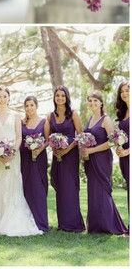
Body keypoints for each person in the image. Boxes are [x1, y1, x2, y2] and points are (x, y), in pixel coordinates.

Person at [0, 85, 41, 236]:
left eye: (4, 96)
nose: (2, 99)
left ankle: (13, 219)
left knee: (13, 184)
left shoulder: (16, 115)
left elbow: (18, 137)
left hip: (13, 156)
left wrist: (12, 152)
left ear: (9, 98)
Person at [81, 91, 128, 235]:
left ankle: (109, 225)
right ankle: (95, 226)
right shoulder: (90, 119)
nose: (92, 103)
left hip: (102, 159)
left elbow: (112, 141)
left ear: (101, 103)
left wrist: (93, 150)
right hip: (90, 159)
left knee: (103, 190)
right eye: (90, 100)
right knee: (93, 190)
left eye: (95, 100)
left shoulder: (106, 119)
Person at [44, 85, 85, 232]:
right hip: (57, 156)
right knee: (60, 187)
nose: (60, 98)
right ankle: (63, 224)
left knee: (70, 187)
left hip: (71, 155)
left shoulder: (73, 114)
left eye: (62, 95)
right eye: (57, 95)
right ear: (54, 98)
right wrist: (55, 149)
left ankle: (74, 224)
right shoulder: (50, 116)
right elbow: (47, 137)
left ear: (67, 97)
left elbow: (80, 136)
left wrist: (67, 149)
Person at [20, 95, 50, 232]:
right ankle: (28, 220)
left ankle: (41, 222)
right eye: (27, 106)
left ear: (36, 106)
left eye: (32, 105)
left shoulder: (44, 121)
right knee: (26, 187)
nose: (29, 108)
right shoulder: (21, 123)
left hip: (39, 158)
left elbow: (48, 140)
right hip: (25, 158)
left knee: (38, 188)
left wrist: (39, 150)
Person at [114, 81, 129, 218]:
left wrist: (127, 151)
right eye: (122, 91)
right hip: (124, 157)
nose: (124, 93)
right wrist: (118, 149)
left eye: (127, 90)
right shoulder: (122, 114)